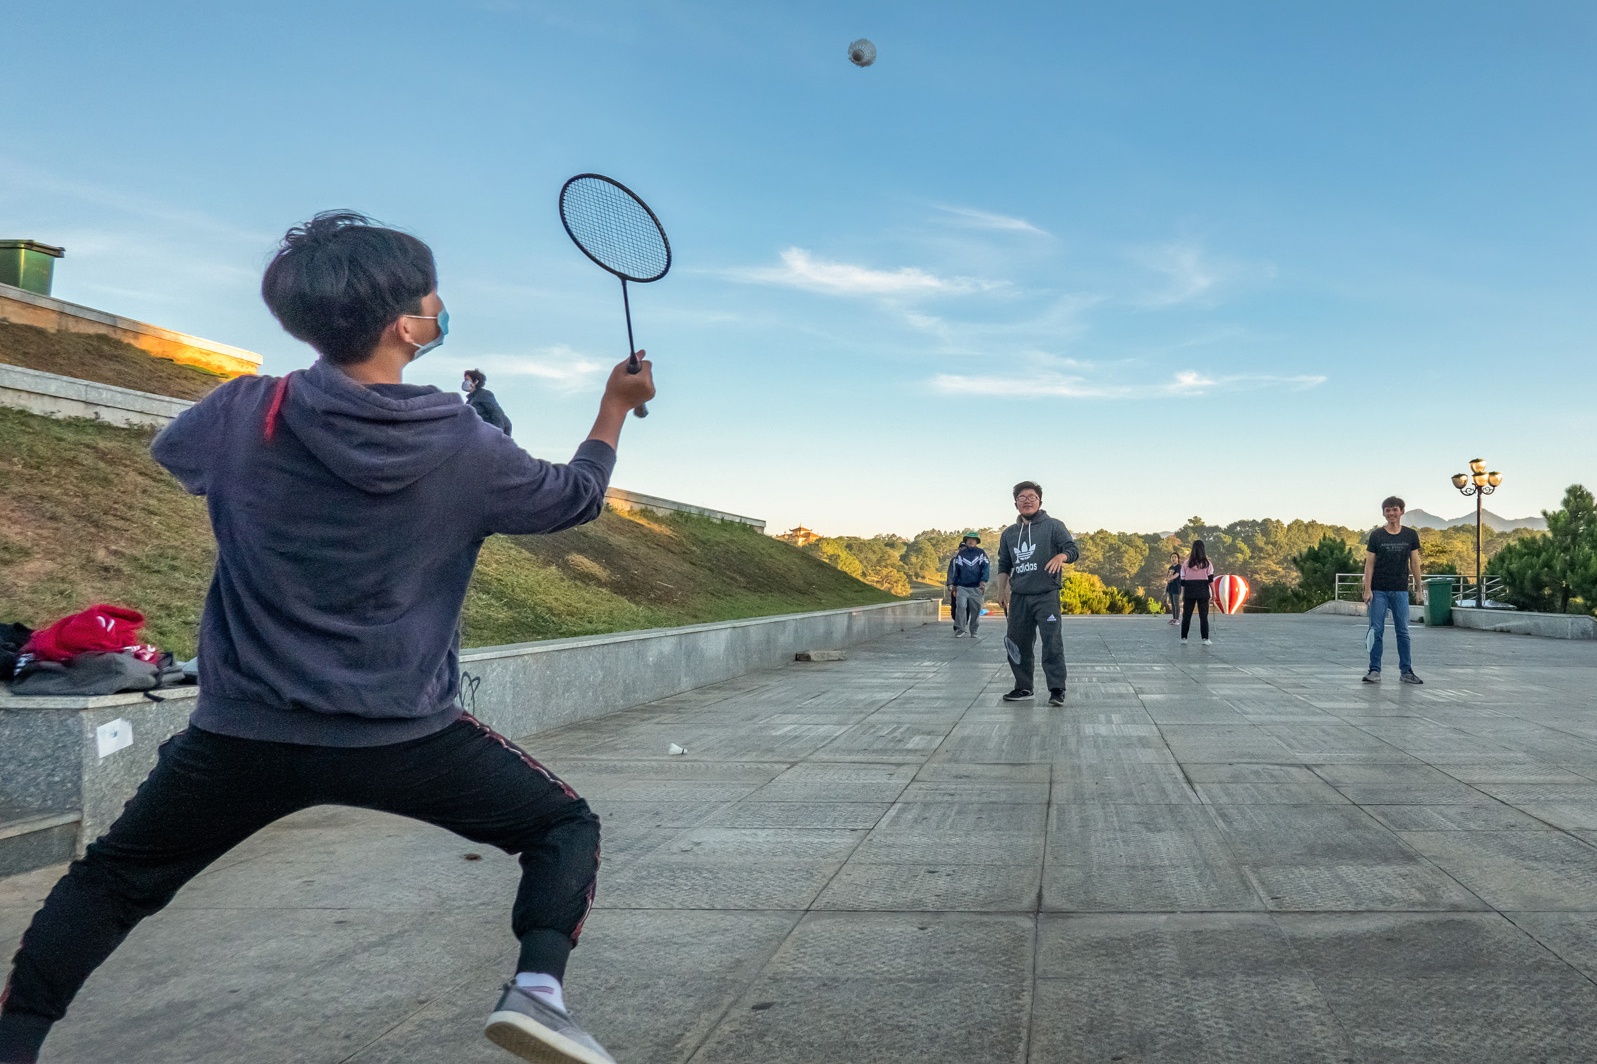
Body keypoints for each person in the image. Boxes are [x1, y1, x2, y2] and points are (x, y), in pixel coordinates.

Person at [0, 211, 652, 1064]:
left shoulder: (242, 411)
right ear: (405, 327)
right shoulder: (465, 444)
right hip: (404, 735)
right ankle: (536, 992)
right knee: (561, 827)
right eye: (431, 294)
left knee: (114, 883)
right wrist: (613, 408)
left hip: (239, 735)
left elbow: (176, 452)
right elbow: (573, 496)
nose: (438, 304)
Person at [995, 482, 1079, 707]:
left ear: (1040, 501)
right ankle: (1023, 687)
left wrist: (1061, 557)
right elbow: (1004, 564)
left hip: (1046, 595)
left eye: (1032, 496)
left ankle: (1057, 690)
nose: (1027, 500)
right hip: (1020, 597)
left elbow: (1072, 549)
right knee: (1017, 644)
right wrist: (1002, 590)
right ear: (1016, 504)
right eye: (1022, 497)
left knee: (1052, 643)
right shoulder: (1009, 533)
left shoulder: (1053, 526)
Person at [1363, 495, 1426, 685]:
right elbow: (1369, 564)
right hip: (1379, 589)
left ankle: (1406, 671)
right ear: (1384, 513)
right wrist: (1368, 589)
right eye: (1387, 510)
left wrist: (1418, 588)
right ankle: (1374, 670)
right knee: (1376, 630)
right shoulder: (1376, 536)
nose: (1391, 513)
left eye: (1394, 509)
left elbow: (1414, 563)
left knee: (1403, 631)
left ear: (1402, 511)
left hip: (1400, 590)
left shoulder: (1410, 535)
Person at [945, 530, 990, 639]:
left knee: (976, 610)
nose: (971, 541)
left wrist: (983, 581)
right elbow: (957, 571)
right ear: (966, 541)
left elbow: (986, 567)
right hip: (962, 587)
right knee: (961, 606)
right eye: (969, 540)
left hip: (976, 587)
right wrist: (954, 585)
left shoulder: (981, 553)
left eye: (973, 540)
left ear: (976, 542)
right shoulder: (961, 554)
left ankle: (973, 630)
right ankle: (960, 629)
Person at [1179, 540, 1216, 645]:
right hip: (1203, 592)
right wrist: (1214, 593)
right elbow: (1211, 580)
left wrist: (1183, 594)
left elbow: (1182, 581)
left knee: (1187, 616)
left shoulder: (1186, 564)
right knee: (1203, 616)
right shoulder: (1207, 564)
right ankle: (1205, 638)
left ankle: (1184, 638)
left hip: (1189, 591)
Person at [464, 368, 514, 436]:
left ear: (475, 382)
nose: (464, 382)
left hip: (495, 434)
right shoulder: (469, 402)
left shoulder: (484, 394)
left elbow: (496, 413)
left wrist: (497, 434)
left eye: (467, 380)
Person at [1164, 549, 1183, 624]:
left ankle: (1177, 619)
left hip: (1176, 586)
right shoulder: (1170, 567)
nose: (1173, 558)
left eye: (1175, 557)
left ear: (1178, 559)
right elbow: (1168, 576)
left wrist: (1170, 578)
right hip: (1170, 587)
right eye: (1172, 557)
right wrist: (1167, 580)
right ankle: (1174, 618)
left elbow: (1177, 574)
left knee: (1176, 603)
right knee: (1172, 604)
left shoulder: (1179, 567)